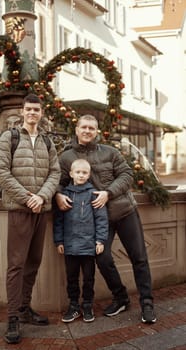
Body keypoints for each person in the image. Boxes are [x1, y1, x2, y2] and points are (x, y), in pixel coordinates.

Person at [55, 114, 156, 324]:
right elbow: (59, 181)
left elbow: (127, 175)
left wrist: (107, 193)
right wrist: (57, 194)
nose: (87, 131)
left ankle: (147, 303)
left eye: (92, 128)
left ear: (96, 131)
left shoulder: (110, 152)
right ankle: (121, 297)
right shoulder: (66, 158)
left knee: (139, 257)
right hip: (100, 219)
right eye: (83, 127)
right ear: (76, 129)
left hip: (125, 211)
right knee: (102, 258)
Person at [0, 93, 61, 344]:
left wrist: (41, 197)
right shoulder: (9, 138)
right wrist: (27, 197)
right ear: (22, 112)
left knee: (33, 261)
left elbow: (55, 172)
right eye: (29, 109)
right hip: (20, 211)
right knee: (16, 264)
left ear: (41, 113)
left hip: (40, 210)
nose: (33, 113)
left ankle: (24, 308)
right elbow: (1, 172)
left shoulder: (46, 141)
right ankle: (12, 316)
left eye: (37, 109)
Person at [53, 158, 108, 323]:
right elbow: (58, 220)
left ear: (89, 174)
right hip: (69, 246)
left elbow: (101, 219)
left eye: (84, 173)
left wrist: (100, 240)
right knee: (72, 278)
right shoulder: (65, 195)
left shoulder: (93, 194)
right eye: (78, 172)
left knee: (89, 278)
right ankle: (74, 305)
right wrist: (59, 241)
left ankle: (87, 305)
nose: (81, 175)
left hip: (89, 246)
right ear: (71, 174)